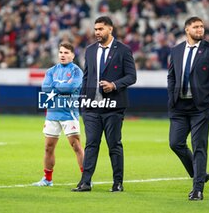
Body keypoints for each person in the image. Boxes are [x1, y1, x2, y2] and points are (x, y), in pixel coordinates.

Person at [71, 16, 137, 192]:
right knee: (91, 144)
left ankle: (118, 183)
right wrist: (82, 103)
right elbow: (87, 78)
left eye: (100, 29)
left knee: (114, 144)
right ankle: (85, 182)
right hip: (92, 107)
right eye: (95, 29)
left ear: (110, 29)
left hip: (113, 106)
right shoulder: (90, 50)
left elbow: (132, 76)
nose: (97, 32)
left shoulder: (123, 50)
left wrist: (114, 85)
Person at [168, 16, 209, 200]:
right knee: (175, 143)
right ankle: (199, 174)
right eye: (196, 27)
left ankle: (198, 189)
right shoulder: (176, 50)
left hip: (201, 107)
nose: (200, 30)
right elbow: (172, 76)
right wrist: (172, 97)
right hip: (179, 106)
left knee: (199, 146)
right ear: (187, 29)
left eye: (202, 27)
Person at [32, 43, 84, 187]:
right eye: (61, 52)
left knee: (76, 146)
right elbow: (45, 88)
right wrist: (61, 87)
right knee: (48, 147)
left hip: (69, 113)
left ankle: (86, 178)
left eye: (66, 52)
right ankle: (47, 179)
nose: (62, 55)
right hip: (52, 114)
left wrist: (56, 86)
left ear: (73, 55)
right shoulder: (51, 71)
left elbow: (72, 87)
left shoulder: (77, 71)